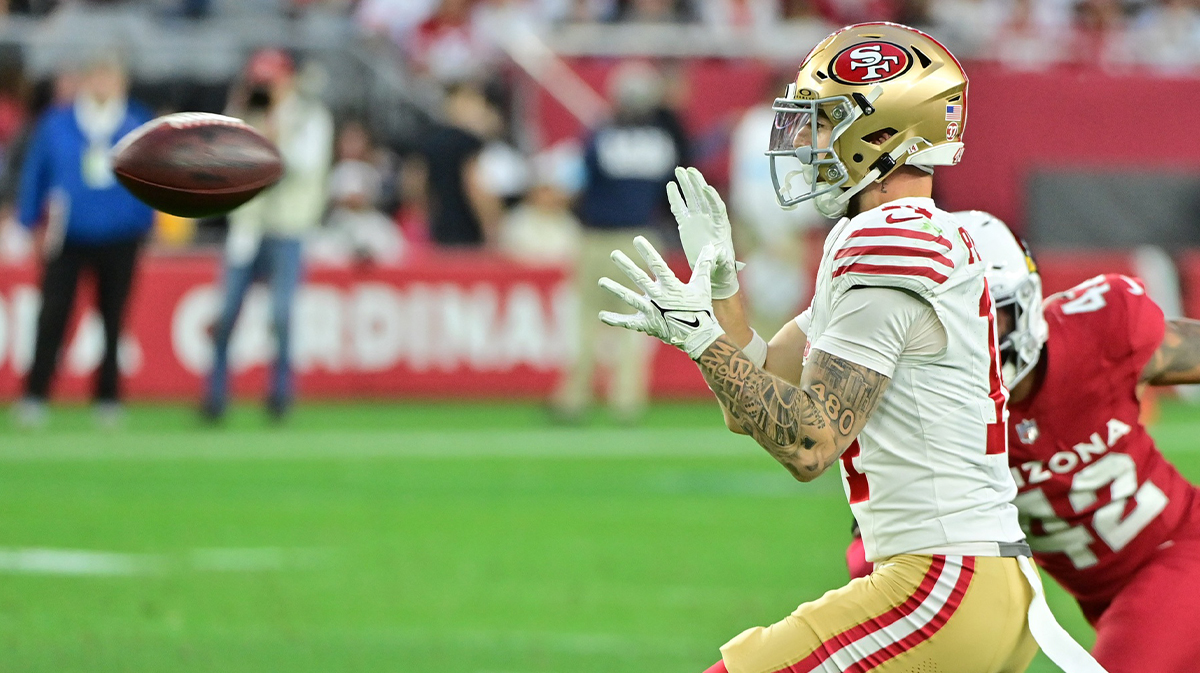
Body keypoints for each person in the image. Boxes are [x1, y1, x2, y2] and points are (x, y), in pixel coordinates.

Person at [597, 23, 1104, 673]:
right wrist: (721, 289)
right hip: (972, 581)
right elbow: (755, 393)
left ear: (881, 133)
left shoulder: (889, 242)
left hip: (939, 582)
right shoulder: (895, 236)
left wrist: (698, 339)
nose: (807, 142)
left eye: (825, 121)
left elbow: (808, 442)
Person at [960, 212, 1200, 673]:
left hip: (1178, 554)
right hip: (1113, 603)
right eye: (953, 320)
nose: (978, 337)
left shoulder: (1097, 330)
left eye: (992, 313)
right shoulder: (937, 412)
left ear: (1026, 302)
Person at [11, 52, 153, 429]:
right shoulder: (58, 123)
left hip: (121, 237)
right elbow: (36, 174)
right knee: (52, 316)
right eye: (98, 76)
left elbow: (158, 176)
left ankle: (108, 398)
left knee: (112, 319)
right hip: (68, 235)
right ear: (86, 80)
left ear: (121, 82)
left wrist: (144, 221)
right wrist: (28, 223)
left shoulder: (137, 121)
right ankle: (35, 395)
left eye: (111, 77)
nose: (104, 84)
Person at [202, 49, 333, 422]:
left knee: (281, 314)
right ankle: (215, 397)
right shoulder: (244, 113)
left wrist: (273, 139)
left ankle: (279, 396)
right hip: (247, 224)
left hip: (289, 227)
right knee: (226, 313)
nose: (265, 89)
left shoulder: (310, 117)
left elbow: (301, 167)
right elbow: (221, 160)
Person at [552, 61, 685, 423]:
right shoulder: (662, 140)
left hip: (598, 236)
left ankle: (575, 397)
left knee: (585, 318)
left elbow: (581, 180)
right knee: (635, 320)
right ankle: (626, 400)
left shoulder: (602, 135)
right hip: (641, 237)